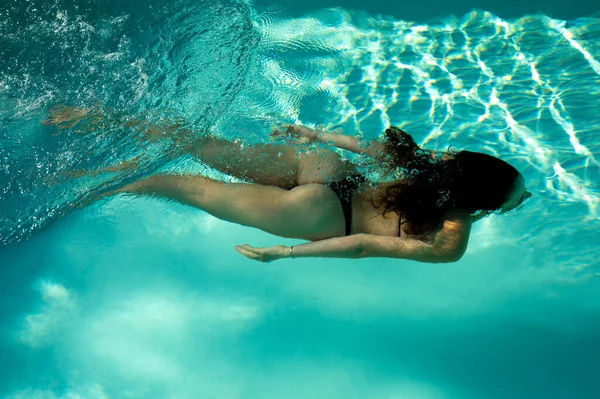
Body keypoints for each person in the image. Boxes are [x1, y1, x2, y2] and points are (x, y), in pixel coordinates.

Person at [44, 107, 531, 263]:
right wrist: (285, 254)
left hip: (329, 168)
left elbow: (376, 151)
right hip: (318, 214)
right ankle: (69, 188)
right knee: (177, 185)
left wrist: (315, 135)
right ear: (481, 200)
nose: (523, 198)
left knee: (198, 143)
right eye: (516, 197)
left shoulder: (435, 168)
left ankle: (85, 116)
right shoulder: (451, 239)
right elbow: (361, 244)